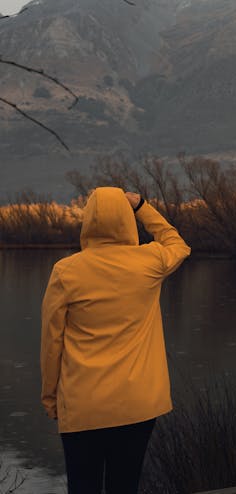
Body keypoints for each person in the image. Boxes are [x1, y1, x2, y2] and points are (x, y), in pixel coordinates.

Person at [40, 186, 191, 494]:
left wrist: (51, 398)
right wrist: (141, 206)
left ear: (89, 221)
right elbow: (177, 243)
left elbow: (51, 342)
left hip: (83, 405)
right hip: (138, 405)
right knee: (125, 486)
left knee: (83, 488)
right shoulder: (149, 262)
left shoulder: (66, 272)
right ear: (126, 220)